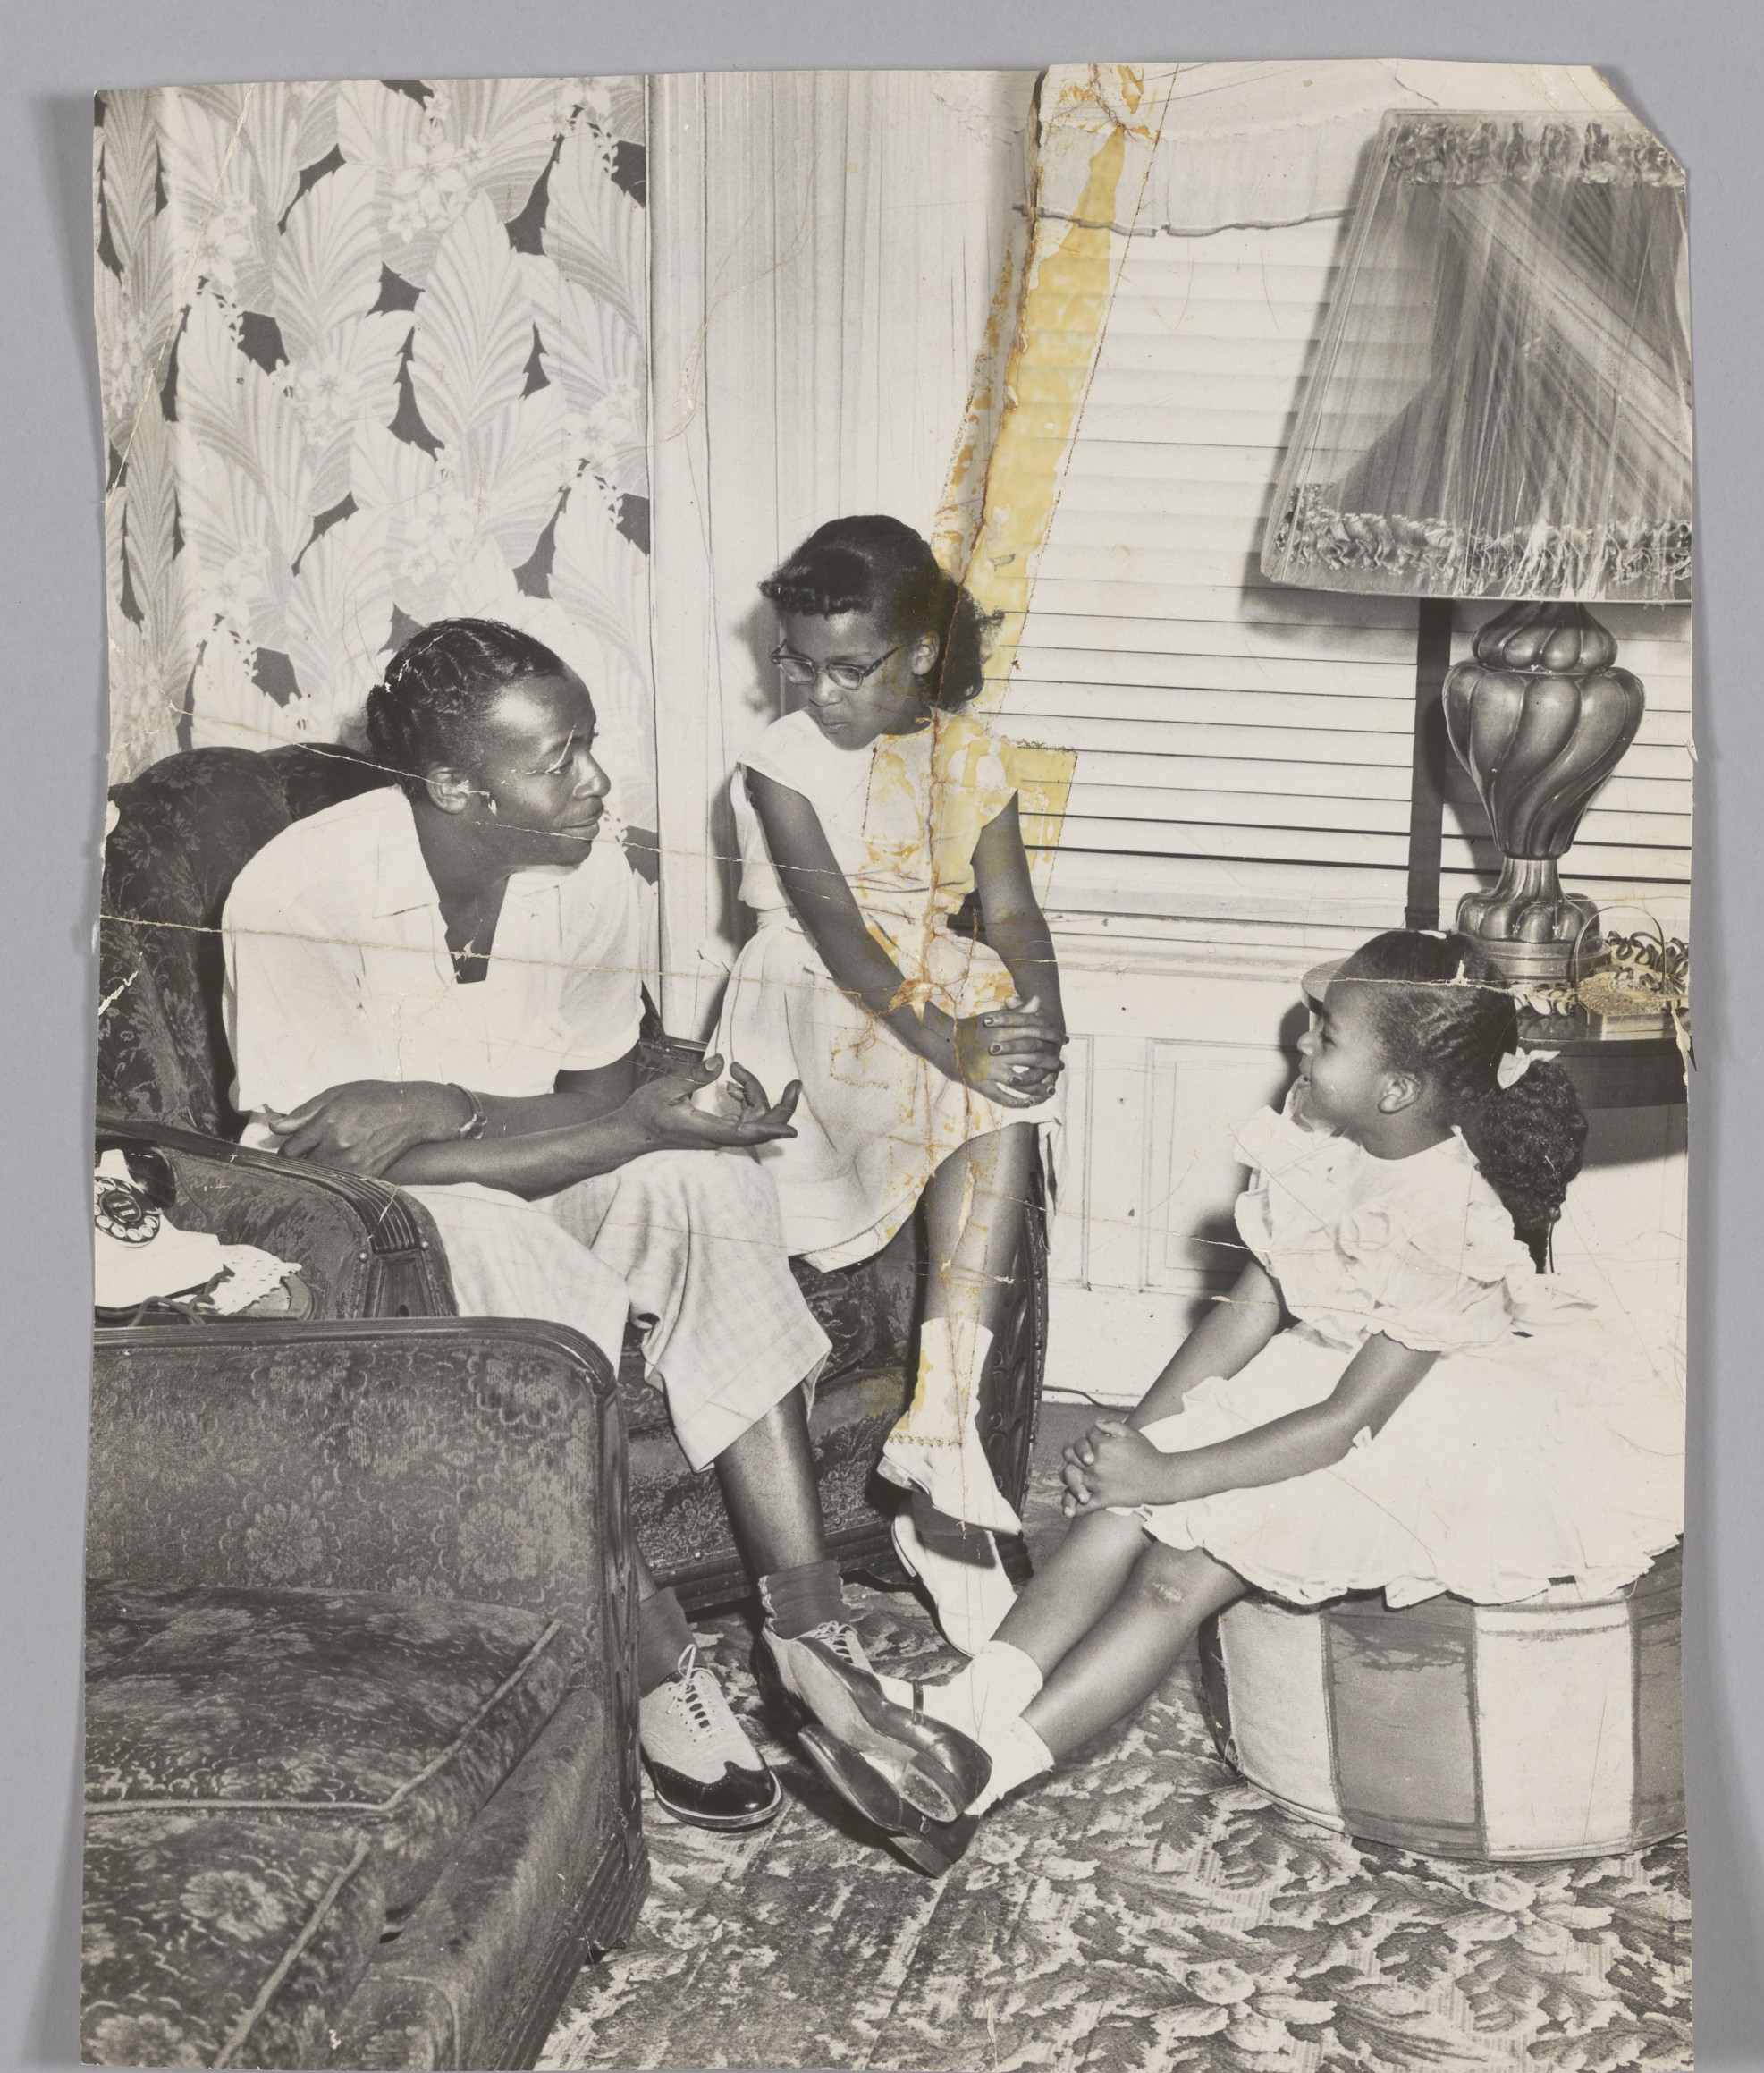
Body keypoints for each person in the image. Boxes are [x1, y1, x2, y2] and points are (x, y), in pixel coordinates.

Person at [220, 616, 980, 1835]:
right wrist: (598, 1129)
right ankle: (655, 1654)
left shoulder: (592, 880)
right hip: (347, 1232)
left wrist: (469, 1102)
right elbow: (366, 1165)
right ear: (460, 787)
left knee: (713, 1184)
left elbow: (581, 1102)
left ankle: (809, 1630)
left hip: (514, 1161)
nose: (594, 782)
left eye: (590, 745)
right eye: (558, 760)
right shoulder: (299, 893)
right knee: (524, 1234)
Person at [792, 930, 1687, 1874]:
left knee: (1175, 1577)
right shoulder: (1318, 1147)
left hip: (1404, 1427)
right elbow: (1250, 1310)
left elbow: (1346, 1423)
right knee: (1112, 1516)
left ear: (1395, 1090)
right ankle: (957, 1712)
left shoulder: (1444, 1217)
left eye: (1324, 1036)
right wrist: (1138, 1440)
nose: (1300, 1048)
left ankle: (978, 1778)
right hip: (1313, 1383)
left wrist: (1177, 1472)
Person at [710, 516, 1067, 1655]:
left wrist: (1037, 1011)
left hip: (926, 990)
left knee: (1010, 1096)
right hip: (816, 1004)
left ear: (917, 651)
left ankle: (940, 1434)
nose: (818, 692)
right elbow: (843, 942)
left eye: (848, 669)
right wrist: (959, 1048)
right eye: (796, 662)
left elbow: (1006, 910)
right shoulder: (782, 763)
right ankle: (941, 1462)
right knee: (982, 1089)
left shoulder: (972, 757)